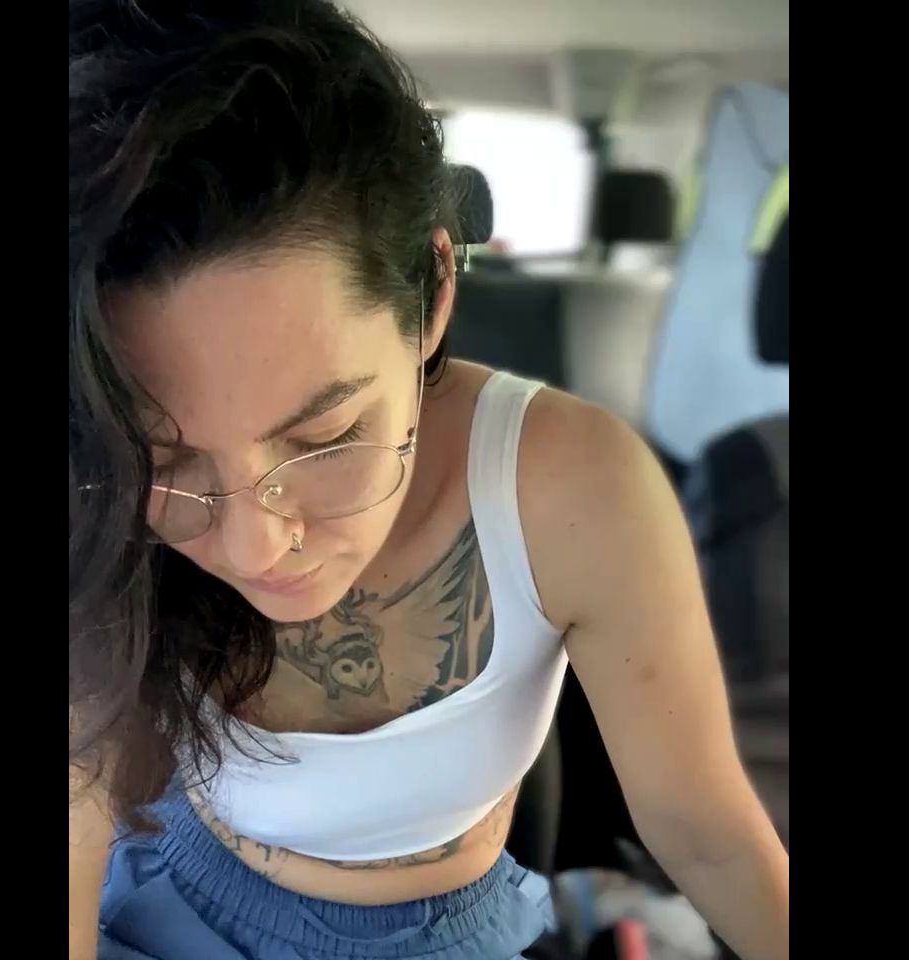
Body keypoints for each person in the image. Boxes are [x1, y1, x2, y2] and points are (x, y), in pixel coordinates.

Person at [68, 4, 789, 959]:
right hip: (166, 903)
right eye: (166, 462)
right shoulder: (96, 492)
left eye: (326, 436)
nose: (252, 546)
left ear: (432, 292)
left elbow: (705, 832)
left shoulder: (573, 490)